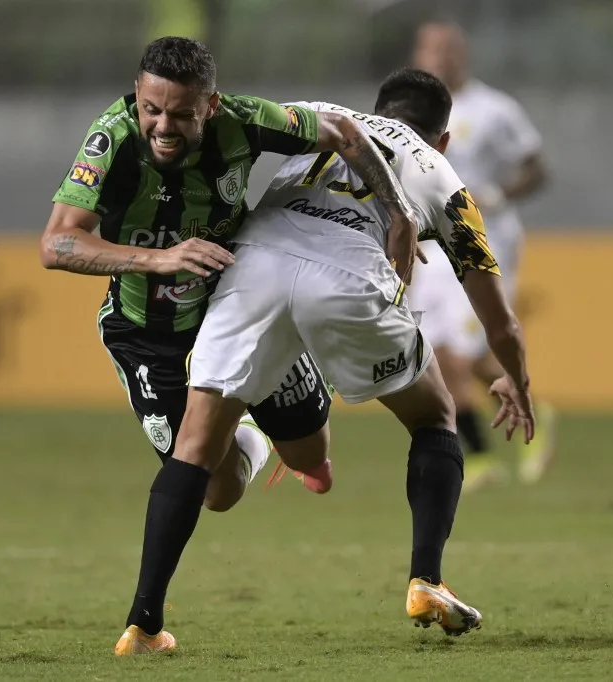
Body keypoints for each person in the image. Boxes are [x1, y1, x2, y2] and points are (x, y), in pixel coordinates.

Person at [128, 68, 536, 651]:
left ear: (375, 108)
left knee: (194, 447)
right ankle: (427, 580)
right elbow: (500, 322)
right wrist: (517, 381)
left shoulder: (318, 113)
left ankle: (142, 624)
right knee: (434, 417)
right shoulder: (444, 176)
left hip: (252, 268)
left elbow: (223, 125)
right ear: (442, 137)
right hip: (348, 279)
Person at [37, 37, 419, 655]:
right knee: (216, 492)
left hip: (233, 309)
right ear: (137, 95)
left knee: (312, 460)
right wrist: (159, 259)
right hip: (148, 336)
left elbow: (344, 131)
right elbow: (56, 245)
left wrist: (399, 211)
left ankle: (268, 430)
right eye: (150, 108)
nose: (162, 125)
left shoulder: (244, 120)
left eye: (180, 114)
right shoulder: (110, 140)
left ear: (209, 107)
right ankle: (242, 439)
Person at [411, 21, 554, 491]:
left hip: (485, 239)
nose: (442, 59)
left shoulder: (495, 109)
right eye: (432, 51)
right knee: (439, 352)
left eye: (449, 49)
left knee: (473, 350)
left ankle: (531, 406)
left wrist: (497, 193)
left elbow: (537, 170)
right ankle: (477, 457)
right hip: (433, 241)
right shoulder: (410, 110)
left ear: (463, 54)